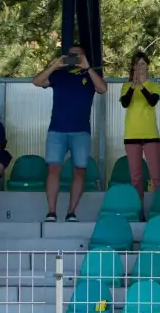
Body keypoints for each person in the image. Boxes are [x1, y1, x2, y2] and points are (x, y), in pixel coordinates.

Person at [32, 44, 108, 223]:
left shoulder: (89, 75)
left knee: (79, 170)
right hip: (57, 130)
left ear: (84, 57)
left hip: (81, 131)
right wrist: (55, 64)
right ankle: (51, 212)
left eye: (78, 55)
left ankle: (71, 212)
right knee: (53, 169)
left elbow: (102, 89)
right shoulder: (59, 74)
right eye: (71, 55)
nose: (74, 58)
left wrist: (87, 67)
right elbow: (37, 82)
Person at [120, 51, 160, 206]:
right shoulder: (126, 86)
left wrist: (142, 87)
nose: (140, 66)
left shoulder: (154, 85)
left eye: (143, 64)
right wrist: (133, 85)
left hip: (150, 135)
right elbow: (125, 103)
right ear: (133, 67)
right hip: (131, 135)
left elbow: (152, 101)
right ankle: (138, 208)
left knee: (156, 175)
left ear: (147, 66)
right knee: (136, 177)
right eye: (137, 64)